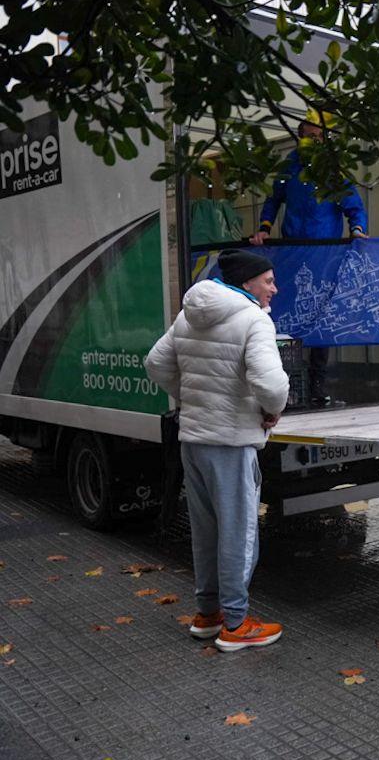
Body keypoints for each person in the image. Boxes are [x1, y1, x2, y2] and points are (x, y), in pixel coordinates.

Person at [145, 249, 291, 653]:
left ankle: (207, 615)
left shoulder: (188, 315)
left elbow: (155, 364)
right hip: (231, 444)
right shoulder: (254, 320)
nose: (273, 288)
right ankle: (237, 624)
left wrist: (191, 398)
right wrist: (271, 411)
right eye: (268, 281)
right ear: (247, 283)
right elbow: (273, 385)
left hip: (193, 441)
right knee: (238, 533)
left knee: (205, 531)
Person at [249, 113, 369, 406]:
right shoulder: (289, 167)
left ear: (325, 139)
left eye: (318, 137)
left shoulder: (334, 170)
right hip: (291, 253)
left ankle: (317, 386)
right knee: (288, 314)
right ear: (298, 137)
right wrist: (264, 228)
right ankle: (287, 385)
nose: (313, 141)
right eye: (308, 136)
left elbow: (354, 207)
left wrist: (358, 230)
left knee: (322, 317)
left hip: (325, 255)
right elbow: (272, 200)